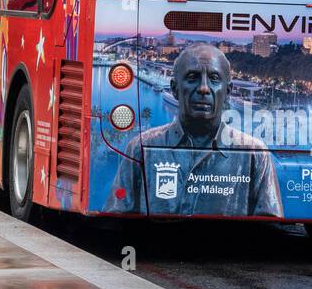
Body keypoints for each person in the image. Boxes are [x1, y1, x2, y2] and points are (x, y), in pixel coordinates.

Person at [106, 44, 283, 218]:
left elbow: (270, 229)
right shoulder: (141, 148)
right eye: (192, 78)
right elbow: (116, 218)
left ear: (227, 91)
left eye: (214, 78)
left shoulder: (255, 155)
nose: (204, 88)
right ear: (175, 89)